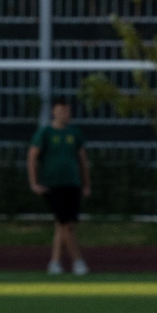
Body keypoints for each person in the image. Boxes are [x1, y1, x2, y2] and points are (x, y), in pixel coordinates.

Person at [27, 99, 92, 276]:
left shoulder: (74, 133)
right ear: (54, 113)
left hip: (72, 183)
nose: (66, 115)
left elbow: (83, 161)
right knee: (66, 224)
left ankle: (55, 262)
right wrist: (34, 183)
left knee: (63, 224)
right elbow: (32, 156)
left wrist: (86, 184)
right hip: (53, 184)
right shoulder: (45, 133)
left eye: (68, 111)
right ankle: (77, 261)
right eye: (62, 111)